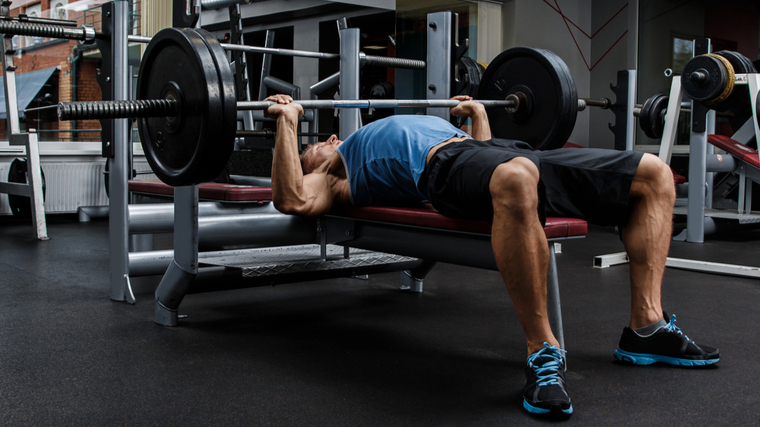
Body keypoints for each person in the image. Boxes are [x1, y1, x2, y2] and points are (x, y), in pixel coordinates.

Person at [264, 94, 720, 417]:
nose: (321, 141)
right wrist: (287, 123)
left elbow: (481, 162)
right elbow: (291, 199)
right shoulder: (333, 176)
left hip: (492, 152)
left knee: (654, 175)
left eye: (317, 140)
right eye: (310, 148)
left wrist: (478, 115)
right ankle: (543, 351)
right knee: (517, 179)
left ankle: (646, 327)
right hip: (440, 169)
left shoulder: (356, 140)